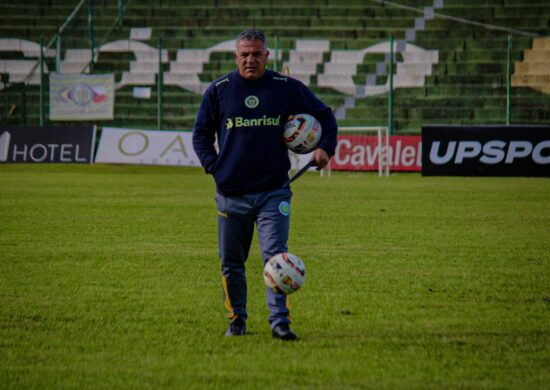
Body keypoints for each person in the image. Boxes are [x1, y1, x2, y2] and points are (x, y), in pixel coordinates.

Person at [192, 29, 337, 340]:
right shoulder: (219, 90)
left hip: (274, 190)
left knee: (276, 257)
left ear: (267, 56)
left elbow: (325, 114)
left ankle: (279, 322)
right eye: (244, 54)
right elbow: (201, 134)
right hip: (231, 194)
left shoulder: (285, 88)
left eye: (256, 53)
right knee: (232, 263)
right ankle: (236, 320)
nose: (250, 59)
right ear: (235, 56)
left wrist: (325, 147)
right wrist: (215, 168)